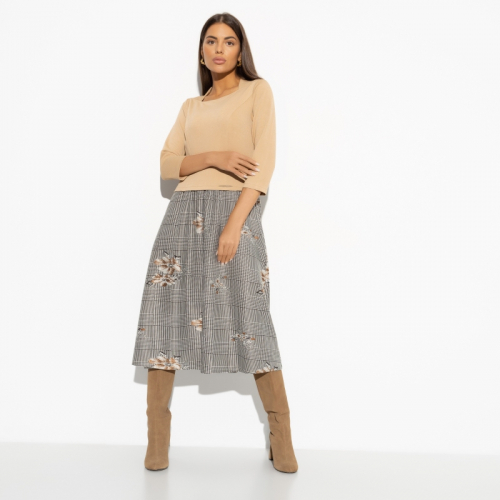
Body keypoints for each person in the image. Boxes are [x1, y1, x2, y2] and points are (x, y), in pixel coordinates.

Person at [131, 12, 298, 474]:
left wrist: (234, 227)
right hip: (182, 215)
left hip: (234, 213)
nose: (219, 48)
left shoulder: (257, 92)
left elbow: (263, 164)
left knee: (251, 318)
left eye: (228, 41)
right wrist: (215, 157)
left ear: (240, 51)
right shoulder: (191, 106)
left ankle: (281, 435)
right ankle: (157, 441)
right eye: (211, 41)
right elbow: (168, 164)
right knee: (164, 321)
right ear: (202, 52)